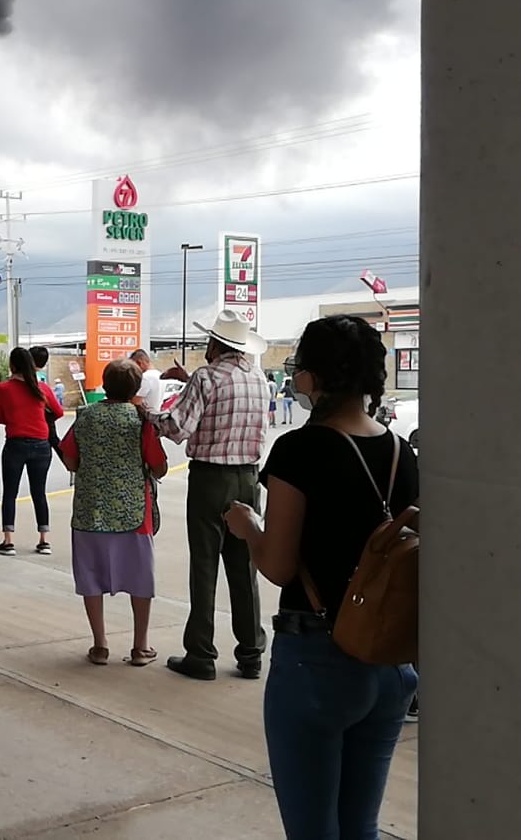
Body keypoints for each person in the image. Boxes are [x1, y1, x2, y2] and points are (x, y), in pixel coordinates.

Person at [221, 315, 419, 839]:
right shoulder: (402, 452)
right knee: (360, 828)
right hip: (388, 662)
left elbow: (278, 565)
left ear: (312, 377)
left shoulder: (300, 450)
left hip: (317, 659)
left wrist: (249, 527)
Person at [154, 310, 272, 681]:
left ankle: (201, 653)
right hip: (248, 479)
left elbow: (178, 428)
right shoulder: (258, 377)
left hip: (210, 479)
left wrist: (147, 415)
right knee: (244, 567)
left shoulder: (205, 377)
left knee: (205, 566)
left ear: (215, 344)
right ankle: (251, 652)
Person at [58, 358, 168, 666]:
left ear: (105, 385)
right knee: (140, 577)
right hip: (134, 514)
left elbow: (70, 459)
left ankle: (100, 645)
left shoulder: (86, 416)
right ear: (136, 388)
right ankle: (140, 646)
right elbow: (159, 466)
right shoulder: (140, 421)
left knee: (90, 577)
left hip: (89, 511)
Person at [0, 346, 64, 556]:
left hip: (15, 443)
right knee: (39, 492)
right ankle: (44, 540)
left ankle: (8, 541)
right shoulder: (41, 388)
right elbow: (58, 412)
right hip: (41, 444)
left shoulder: (3, 388)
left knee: (10, 492)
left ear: (12, 365)